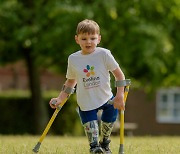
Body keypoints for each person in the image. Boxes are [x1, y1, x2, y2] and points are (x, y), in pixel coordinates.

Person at [49, 19, 125, 154]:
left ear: (99, 39)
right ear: (77, 39)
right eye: (84, 38)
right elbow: (71, 82)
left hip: (106, 97)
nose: (88, 42)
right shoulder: (73, 59)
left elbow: (119, 76)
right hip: (86, 102)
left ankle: (105, 143)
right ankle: (95, 147)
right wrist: (60, 99)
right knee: (92, 132)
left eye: (92, 38)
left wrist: (119, 95)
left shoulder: (104, 54)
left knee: (109, 118)